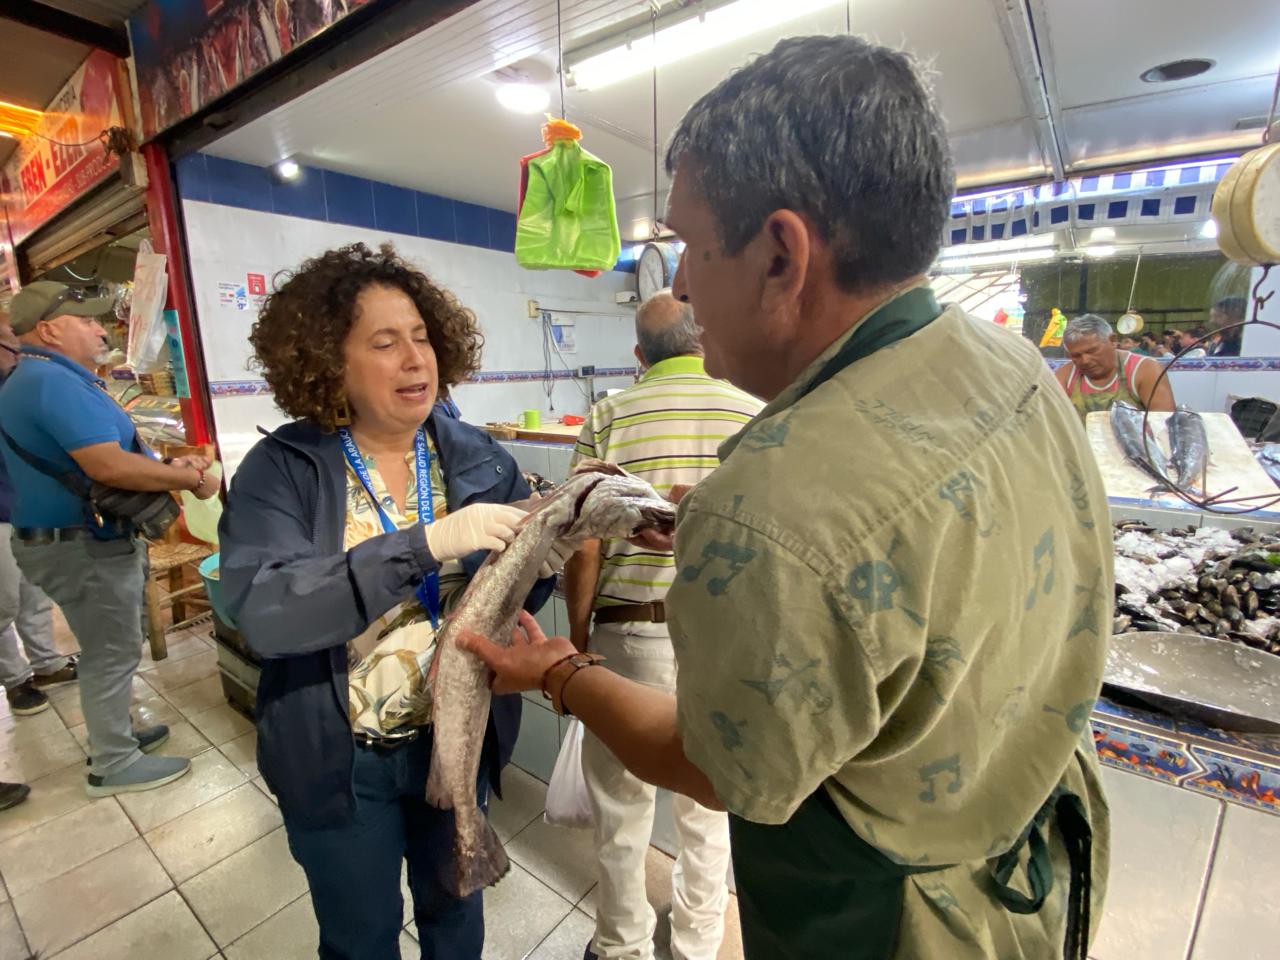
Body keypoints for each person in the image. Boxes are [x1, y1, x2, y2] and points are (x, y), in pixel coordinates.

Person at [462, 34, 1111, 960]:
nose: (682, 285)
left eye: (691, 247)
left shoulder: (772, 505)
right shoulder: (1007, 362)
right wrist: (735, 525)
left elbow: (713, 768)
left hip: (896, 926)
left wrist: (559, 672)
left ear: (780, 255)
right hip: (1037, 855)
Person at [218, 242, 567, 960]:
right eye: (384, 343)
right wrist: (423, 545)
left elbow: (505, 598)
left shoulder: (478, 456)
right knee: (361, 937)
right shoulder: (281, 470)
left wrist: (542, 563)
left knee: (456, 918)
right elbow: (265, 611)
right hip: (342, 760)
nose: (415, 359)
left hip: (455, 742)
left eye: (421, 337)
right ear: (328, 360)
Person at [565, 290, 762, 960]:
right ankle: (697, 943)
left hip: (629, 634)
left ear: (639, 355)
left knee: (620, 803)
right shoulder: (752, 410)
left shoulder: (608, 415)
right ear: (701, 342)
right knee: (708, 805)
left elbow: (584, 543)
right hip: (724, 640)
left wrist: (579, 643)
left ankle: (621, 945)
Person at [0, 282, 216, 796]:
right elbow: (107, 465)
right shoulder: (49, 381)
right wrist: (190, 478)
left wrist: (166, 466)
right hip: (81, 543)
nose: (101, 329)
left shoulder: (37, 377)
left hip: (74, 539)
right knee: (110, 651)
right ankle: (113, 762)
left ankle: (117, 733)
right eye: (86, 320)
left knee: (110, 644)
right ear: (49, 330)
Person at [0, 318, 78, 718]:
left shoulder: (20, 385)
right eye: (8, 340)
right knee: (4, 600)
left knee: (35, 591)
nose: (16, 347)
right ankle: (15, 680)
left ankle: (46, 664)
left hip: (28, 507)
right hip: (1, 510)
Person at [1055, 313, 1174, 421]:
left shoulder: (1145, 370)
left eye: (1092, 351)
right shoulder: (1065, 376)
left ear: (1113, 341)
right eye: (1076, 355)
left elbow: (1163, 424)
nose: (1085, 361)